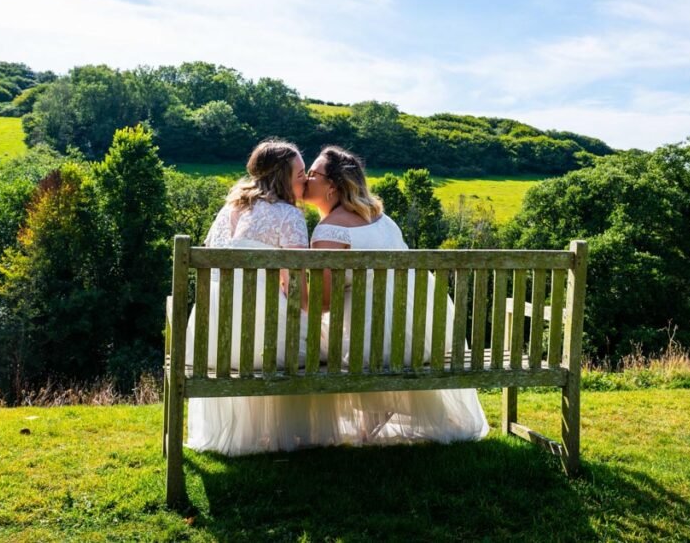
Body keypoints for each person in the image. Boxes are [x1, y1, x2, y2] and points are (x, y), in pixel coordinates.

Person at [303, 145, 489, 445]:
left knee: (304, 338)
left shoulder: (329, 231)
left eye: (312, 173)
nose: (306, 178)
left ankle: (336, 426)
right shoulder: (382, 219)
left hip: (376, 342)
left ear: (332, 186)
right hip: (421, 333)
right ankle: (369, 426)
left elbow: (323, 304)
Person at [185, 139, 317, 455]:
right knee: (314, 341)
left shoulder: (229, 209)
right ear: (281, 176)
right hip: (263, 340)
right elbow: (296, 284)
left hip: (214, 338)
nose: (305, 179)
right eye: (300, 172)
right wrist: (312, 318)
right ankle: (281, 432)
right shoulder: (288, 215)